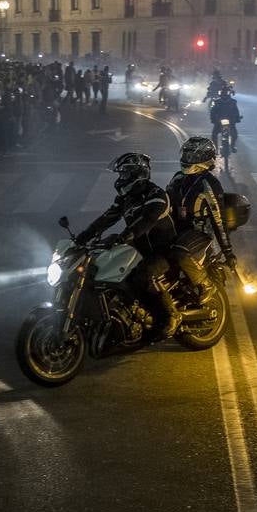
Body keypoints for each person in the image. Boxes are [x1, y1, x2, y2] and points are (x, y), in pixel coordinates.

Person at [76, 152, 181, 338]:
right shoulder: (126, 198)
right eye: (120, 175)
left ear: (136, 174)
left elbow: (147, 220)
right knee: (106, 269)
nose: (121, 178)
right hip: (139, 248)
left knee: (142, 276)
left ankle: (169, 317)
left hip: (163, 250)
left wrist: (126, 235)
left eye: (124, 174)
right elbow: (106, 219)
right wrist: (81, 238)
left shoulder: (156, 195)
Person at [166, 137, 236, 301]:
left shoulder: (209, 184)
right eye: (187, 155)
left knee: (180, 253)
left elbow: (219, 220)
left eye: (192, 156)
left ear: (204, 158)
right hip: (179, 230)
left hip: (199, 233)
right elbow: (166, 203)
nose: (187, 159)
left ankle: (206, 285)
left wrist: (228, 251)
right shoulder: (178, 178)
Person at [210, 85, 242, 151]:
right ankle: (215, 148)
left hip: (231, 121)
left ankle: (232, 146)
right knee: (214, 134)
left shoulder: (233, 102)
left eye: (226, 92)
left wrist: (237, 118)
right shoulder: (217, 102)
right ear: (221, 93)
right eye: (223, 92)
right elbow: (213, 111)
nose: (224, 94)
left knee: (234, 134)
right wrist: (213, 119)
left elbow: (236, 111)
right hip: (219, 121)